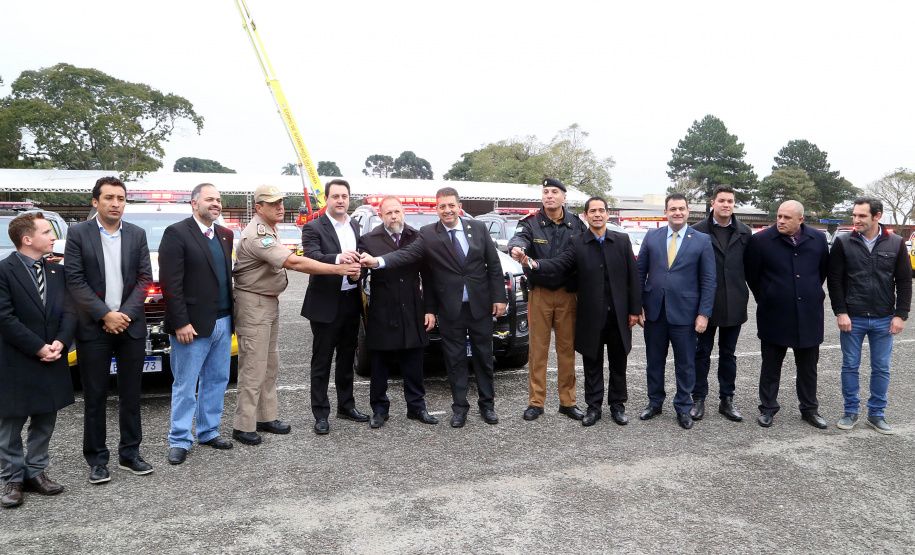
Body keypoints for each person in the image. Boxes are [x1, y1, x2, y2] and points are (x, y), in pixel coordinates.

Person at [360, 187, 507, 428]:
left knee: (484, 359)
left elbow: (494, 265)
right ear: (436, 209)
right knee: (455, 362)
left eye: (451, 205)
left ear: (459, 207)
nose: (447, 210)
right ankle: (460, 409)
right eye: (442, 206)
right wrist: (379, 262)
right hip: (450, 309)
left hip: (480, 307)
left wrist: (499, 297)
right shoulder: (427, 234)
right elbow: (409, 254)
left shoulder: (479, 228)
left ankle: (487, 406)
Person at [231, 185, 361, 445]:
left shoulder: (270, 228)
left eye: (281, 202)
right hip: (254, 304)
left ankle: (265, 417)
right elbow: (294, 262)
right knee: (254, 367)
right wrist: (339, 269)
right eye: (273, 203)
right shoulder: (257, 234)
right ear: (258, 208)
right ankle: (243, 425)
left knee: (269, 364)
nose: (280, 207)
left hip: (267, 302)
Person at [520, 196, 641, 427]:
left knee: (618, 363)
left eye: (601, 210)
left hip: (618, 313)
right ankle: (593, 408)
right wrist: (535, 264)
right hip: (591, 315)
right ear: (585, 216)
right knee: (592, 364)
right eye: (592, 211)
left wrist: (635, 310)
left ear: (607, 214)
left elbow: (633, 277)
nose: (597, 214)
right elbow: (561, 263)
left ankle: (618, 407)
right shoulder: (577, 242)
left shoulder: (622, 240)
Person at [65, 176, 154, 483]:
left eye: (121, 198)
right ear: (96, 202)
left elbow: (145, 279)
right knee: (95, 396)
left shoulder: (137, 234)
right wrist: (105, 315)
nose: (116, 203)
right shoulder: (78, 233)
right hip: (94, 328)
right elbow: (74, 280)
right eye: (109, 198)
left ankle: (130, 454)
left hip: (130, 326)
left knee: (131, 394)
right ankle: (97, 459)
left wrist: (123, 315)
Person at [0, 213, 76, 508]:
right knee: (11, 423)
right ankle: (12, 479)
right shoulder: (4, 271)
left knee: (45, 418)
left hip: (52, 357)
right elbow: (5, 318)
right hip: (17, 359)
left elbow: (69, 311)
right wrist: (38, 347)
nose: (53, 237)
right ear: (27, 239)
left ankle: (35, 472)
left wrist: (61, 342)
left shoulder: (57, 271)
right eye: (46, 232)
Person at [160, 183, 235, 464]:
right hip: (191, 326)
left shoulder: (225, 235)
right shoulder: (177, 233)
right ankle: (180, 439)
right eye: (209, 199)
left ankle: (208, 431)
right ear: (194, 203)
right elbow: (170, 284)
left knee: (217, 380)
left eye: (218, 199)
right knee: (185, 383)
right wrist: (180, 322)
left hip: (224, 321)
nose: (216, 204)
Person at [827, 197, 911, 435]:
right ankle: (850, 411)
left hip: (884, 317)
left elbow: (904, 281)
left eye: (862, 216)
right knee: (850, 366)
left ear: (877, 216)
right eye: (854, 215)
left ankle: (876, 414)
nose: (856, 220)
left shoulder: (896, 243)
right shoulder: (843, 242)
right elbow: (835, 281)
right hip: (853, 317)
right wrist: (841, 312)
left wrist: (901, 315)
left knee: (881, 368)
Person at [508, 178, 589, 422]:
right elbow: (519, 239)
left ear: (564, 197)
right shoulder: (530, 222)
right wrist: (516, 249)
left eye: (554, 192)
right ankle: (536, 402)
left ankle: (568, 401)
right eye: (545, 192)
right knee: (537, 350)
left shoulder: (576, 224)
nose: (549, 196)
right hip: (540, 293)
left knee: (566, 350)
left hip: (567, 294)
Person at [745, 200, 829, 429]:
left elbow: (822, 271)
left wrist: (809, 292)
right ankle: (767, 408)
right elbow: (752, 275)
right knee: (771, 366)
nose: (781, 221)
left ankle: (809, 410)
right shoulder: (761, 240)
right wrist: (768, 296)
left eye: (787, 218)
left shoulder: (818, 239)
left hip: (809, 315)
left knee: (808, 367)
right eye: (779, 216)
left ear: (800, 220)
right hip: (774, 314)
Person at [637, 192, 716, 430]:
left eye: (681, 208)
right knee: (654, 361)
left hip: (686, 313)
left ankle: (683, 406)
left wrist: (704, 313)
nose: (677, 212)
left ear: (688, 211)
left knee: (685, 363)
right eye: (673, 209)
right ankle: (654, 402)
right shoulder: (652, 236)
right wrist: (637, 305)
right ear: (666, 212)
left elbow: (708, 280)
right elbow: (640, 273)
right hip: (654, 311)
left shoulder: (702, 240)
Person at [359, 196, 438, 428]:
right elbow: (360, 275)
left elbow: (429, 277)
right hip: (383, 309)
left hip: (413, 307)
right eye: (388, 213)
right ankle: (379, 409)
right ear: (380, 215)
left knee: (414, 362)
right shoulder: (368, 240)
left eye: (397, 212)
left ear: (403, 212)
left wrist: (430, 309)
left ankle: (417, 407)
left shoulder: (417, 237)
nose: (393, 216)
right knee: (380, 364)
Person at [301, 179, 370, 434]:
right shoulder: (313, 227)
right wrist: (340, 259)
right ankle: (320, 414)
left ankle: (346, 406)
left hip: (351, 300)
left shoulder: (354, 224)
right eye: (335, 196)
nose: (340, 200)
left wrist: (358, 272)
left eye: (344, 196)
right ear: (326, 199)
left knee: (346, 358)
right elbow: (312, 257)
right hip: (325, 303)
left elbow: (360, 261)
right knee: (322, 361)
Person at [689, 185, 752, 422]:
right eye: (722, 200)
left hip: (734, 304)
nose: (726, 205)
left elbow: (751, 269)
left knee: (728, 354)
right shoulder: (697, 231)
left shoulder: (745, 232)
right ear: (712, 203)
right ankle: (698, 398)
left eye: (730, 201)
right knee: (701, 353)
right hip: (705, 305)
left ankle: (727, 400)